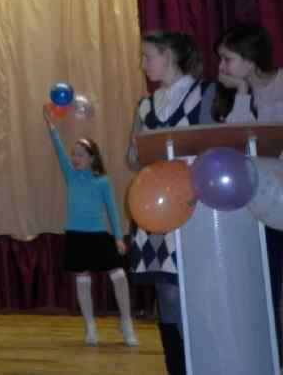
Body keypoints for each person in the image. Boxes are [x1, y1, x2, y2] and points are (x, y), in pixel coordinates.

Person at [127, 31, 214, 375]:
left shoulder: (205, 95)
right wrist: (146, 150)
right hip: (156, 214)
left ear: (170, 56)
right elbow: (133, 158)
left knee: (200, 296)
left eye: (148, 56)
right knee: (167, 297)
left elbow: (219, 151)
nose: (143, 64)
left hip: (196, 211)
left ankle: (205, 365)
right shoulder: (145, 105)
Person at [209, 22, 283, 361]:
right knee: (267, 287)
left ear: (250, 60)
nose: (221, 66)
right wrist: (240, 92)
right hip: (258, 207)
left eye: (227, 58)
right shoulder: (234, 96)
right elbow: (237, 144)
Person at [42, 107, 137, 346]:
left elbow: (112, 210)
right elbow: (59, 150)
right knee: (83, 281)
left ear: (92, 158)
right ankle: (90, 326)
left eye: (80, 155)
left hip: (98, 236)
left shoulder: (102, 181)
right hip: (76, 236)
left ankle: (126, 323)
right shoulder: (71, 175)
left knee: (119, 275)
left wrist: (118, 237)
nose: (74, 158)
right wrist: (51, 126)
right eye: (73, 155)